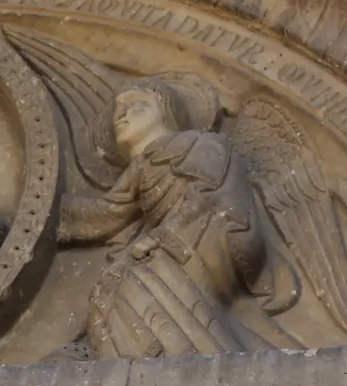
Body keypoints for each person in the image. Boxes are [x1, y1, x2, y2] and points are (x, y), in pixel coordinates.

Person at [60, 75, 293, 360]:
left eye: (137, 105)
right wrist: (52, 211)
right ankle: (127, 364)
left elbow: (210, 198)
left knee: (134, 278)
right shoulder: (140, 167)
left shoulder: (202, 144)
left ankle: (193, 360)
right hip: (167, 247)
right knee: (110, 285)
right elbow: (108, 213)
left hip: (205, 239)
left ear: (166, 112)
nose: (121, 114)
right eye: (117, 109)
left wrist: (161, 238)